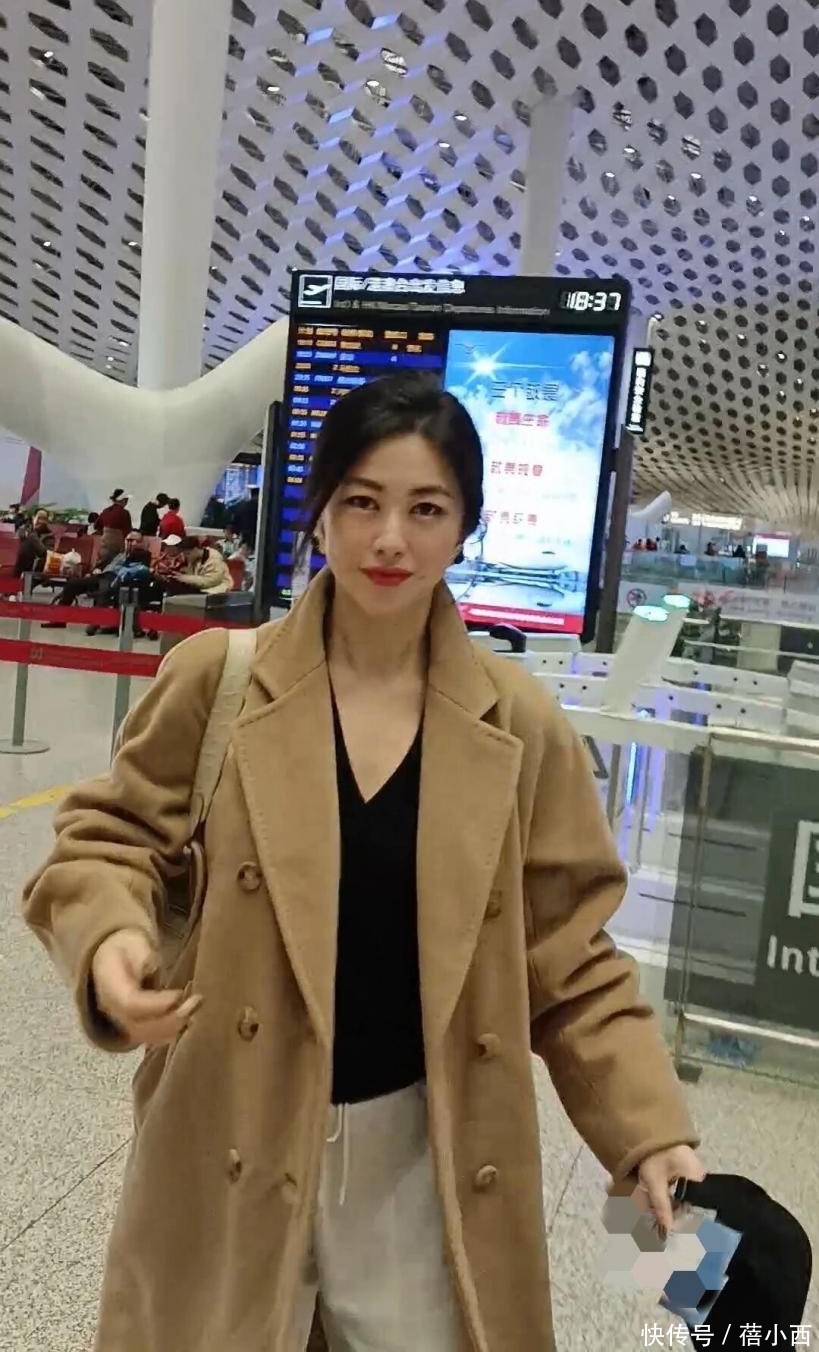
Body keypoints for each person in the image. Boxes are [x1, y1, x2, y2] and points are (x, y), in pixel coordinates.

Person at [21, 373, 702, 1352]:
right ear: (321, 513)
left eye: (426, 509)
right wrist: (112, 940)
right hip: (232, 1131)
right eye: (362, 502)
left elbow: (569, 956)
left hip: (424, 1154)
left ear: (464, 527)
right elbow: (109, 836)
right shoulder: (221, 681)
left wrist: (648, 1126)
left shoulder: (517, 726)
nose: (390, 539)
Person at [153, 534, 232, 597]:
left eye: (188, 553)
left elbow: (211, 581)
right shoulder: (194, 559)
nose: (186, 556)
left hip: (215, 592)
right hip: (200, 589)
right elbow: (192, 576)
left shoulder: (214, 559)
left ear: (195, 549)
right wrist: (179, 576)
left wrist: (185, 578)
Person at [95, 489, 133, 566]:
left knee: (102, 565)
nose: (127, 502)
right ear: (123, 500)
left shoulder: (106, 511)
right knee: (116, 566)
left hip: (104, 544)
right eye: (126, 500)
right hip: (117, 546)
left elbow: (97, 526)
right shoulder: (125, 513)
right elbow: (128, 531)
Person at [15, 509, 55, 577]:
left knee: (27, 545)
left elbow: (45, 554)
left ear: (46, 521)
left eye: (43, 519)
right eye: (39, 517)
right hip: (17, 566)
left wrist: (32, 536)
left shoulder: (49, 536)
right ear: (33, 518)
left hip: (34, 571)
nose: (40, 521)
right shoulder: (23, 529)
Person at [232, 483, 259, 549]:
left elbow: (235, 522)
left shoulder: (242, 506)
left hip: (245, 537)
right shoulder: (262, 508)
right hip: (257, 537)